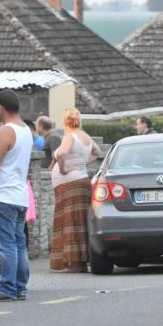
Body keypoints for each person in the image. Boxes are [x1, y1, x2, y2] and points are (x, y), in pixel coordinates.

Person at [0, 91, 34, 302]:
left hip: (4, 196)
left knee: (6, 244)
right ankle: (20, 287)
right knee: (19, 243)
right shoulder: (26, 131)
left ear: (1, 107)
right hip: (20, 196)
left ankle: (7, 287)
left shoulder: (6, 131)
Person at [51, 108, 101, 273]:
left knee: (70, 222)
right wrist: (83, 163)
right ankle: (79, 263)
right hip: (82, 181)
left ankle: (73, 264)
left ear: (65, 122)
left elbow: (61, 154)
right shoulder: (85, 136)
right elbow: (97, 152)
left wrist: (64, 169)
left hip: (70, 184)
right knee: (79, 222)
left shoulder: (69, 137)